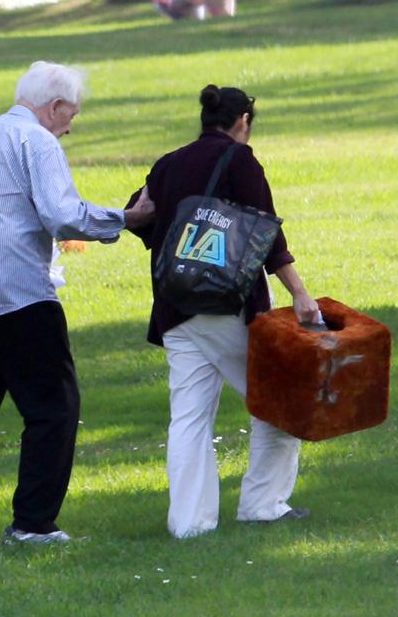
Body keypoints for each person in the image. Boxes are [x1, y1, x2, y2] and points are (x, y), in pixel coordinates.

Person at [0, 61, 155, 549]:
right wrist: (126, 218)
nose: (71, 126)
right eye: (71, 115)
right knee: (54, 408)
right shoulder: (37, 141)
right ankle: (32, 523)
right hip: (19, 295)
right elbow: (61, 214)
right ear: (54, 108)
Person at [125, 84, 320, 539]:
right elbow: (268, 234)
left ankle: (190, 524)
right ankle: (264, 505)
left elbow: (139, 215)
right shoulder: (241, 160)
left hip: (175, 308)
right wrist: (300, 293)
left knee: (190, 418)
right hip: (228, 307)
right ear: (244, 122)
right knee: (279, 399)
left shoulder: (168, 163)